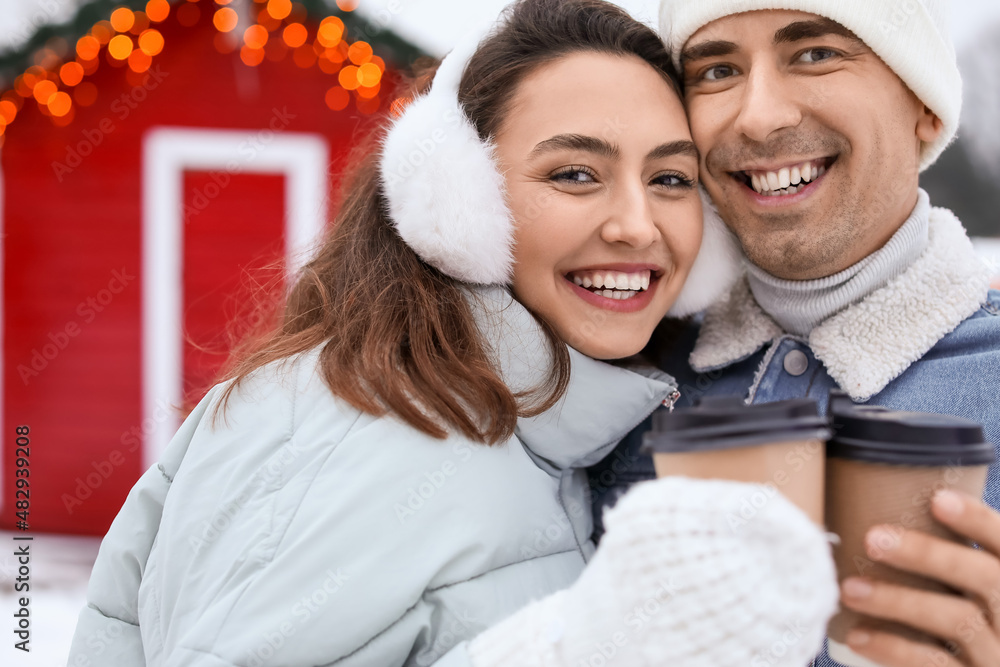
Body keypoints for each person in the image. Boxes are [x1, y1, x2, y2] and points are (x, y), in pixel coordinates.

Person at [68, 1, 837, 666]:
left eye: (670, 179)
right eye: (574, 173)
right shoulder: (359, 439)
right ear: (458, 204)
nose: (638, 225)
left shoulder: (518, 420)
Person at [589, 1, 1000, 666]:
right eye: (716, 69)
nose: (760, 115)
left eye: (815, 54)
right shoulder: (623, 370)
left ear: (923, 103)